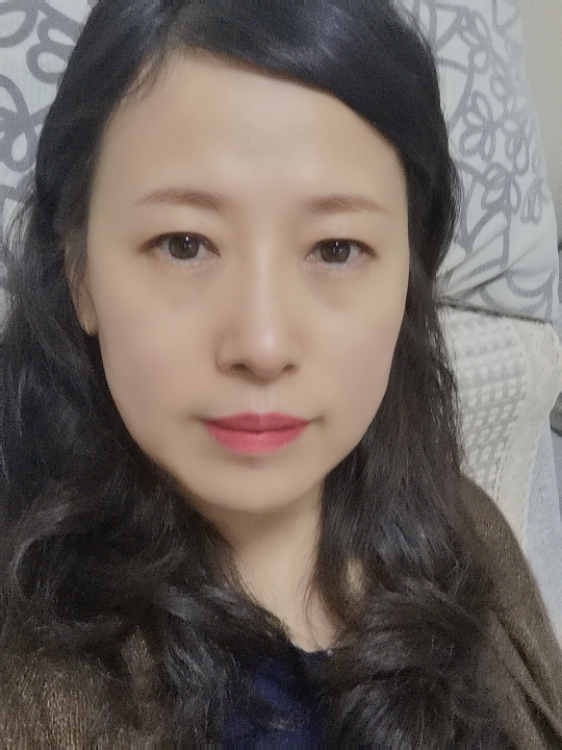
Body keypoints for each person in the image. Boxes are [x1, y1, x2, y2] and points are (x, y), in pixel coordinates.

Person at [1, 0, 561, 746]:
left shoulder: (470, 535)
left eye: (335, 249)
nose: (262, 345)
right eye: (184, 244)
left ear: (408, 278)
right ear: (79, 272)